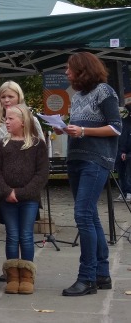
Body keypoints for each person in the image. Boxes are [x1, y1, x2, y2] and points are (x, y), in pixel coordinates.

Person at [57, 52, 121, 297]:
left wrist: (82, 130)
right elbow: (81, 129)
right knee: (90, 216)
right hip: (76, 159)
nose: (66, 72)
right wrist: (65, 129)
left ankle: (87, 278)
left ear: (82, 69)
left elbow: (116, 127)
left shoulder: (105, 92)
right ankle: (102, 274)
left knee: (83, 215)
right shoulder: (76, 96)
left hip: (96, 160)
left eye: (69, 68)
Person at [0, 104, 49, 295]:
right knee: (12, 235)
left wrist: (21, 193)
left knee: (26, 236)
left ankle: (27, 276)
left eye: (10, 119)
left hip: (29, 199)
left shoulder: (37, 144)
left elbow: (42, 174)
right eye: (5, 118)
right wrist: (7, 191)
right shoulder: (2, 145)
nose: (6, 122)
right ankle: (12, 276)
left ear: (23, 121)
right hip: (7, 199)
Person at [114, 104, 131, 202]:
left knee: (127, 173)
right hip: (122, 151)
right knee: (122, 173)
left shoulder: (124, 122)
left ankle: (128, 193)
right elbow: (122, 138)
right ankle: (123, 192)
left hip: (125, 152)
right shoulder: (123, 122)